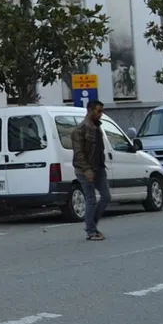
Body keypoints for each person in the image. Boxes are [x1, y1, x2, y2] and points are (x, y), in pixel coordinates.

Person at [72, 99, 111, 241]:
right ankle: (91, 231)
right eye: (99, 111)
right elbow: (79, 153)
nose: (101, 114)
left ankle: (91, 224)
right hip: (84, 170)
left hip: (99, 168)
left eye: (102, 111)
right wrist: (87, 170)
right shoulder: (80, 130)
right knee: (91, 199)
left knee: (106, 196)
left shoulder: (97, 127)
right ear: (90, 110)